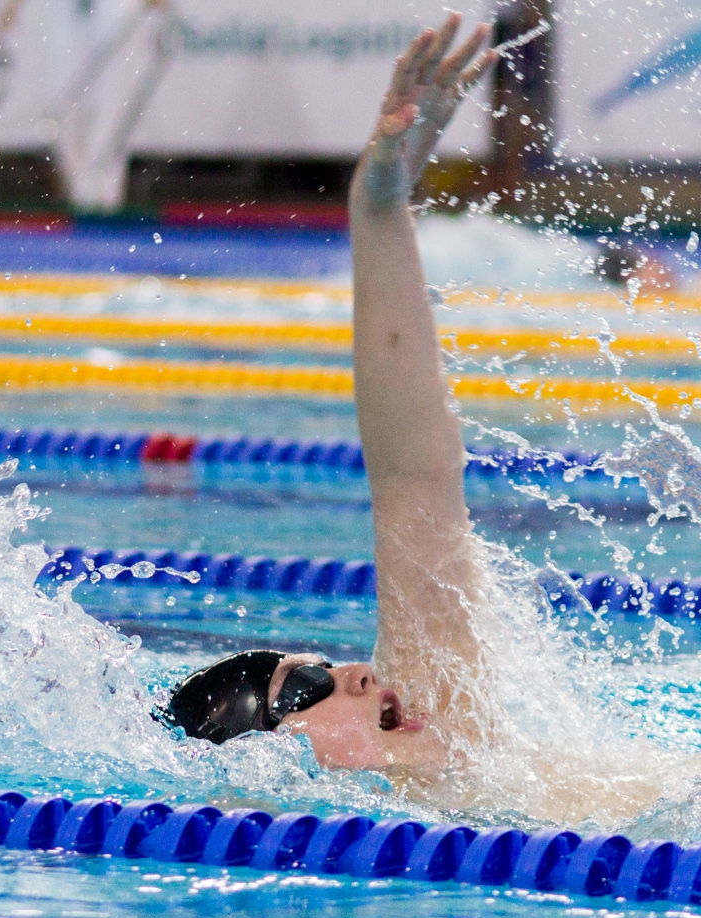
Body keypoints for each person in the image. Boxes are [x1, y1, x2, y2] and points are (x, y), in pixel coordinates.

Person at [156, 15, 498, 773]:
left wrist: (378, 207)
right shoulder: (425, 791)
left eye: (318, 670)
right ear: (263, 761)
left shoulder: (458, 740)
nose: (358, 672)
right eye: (305, 687)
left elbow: (414, 478)